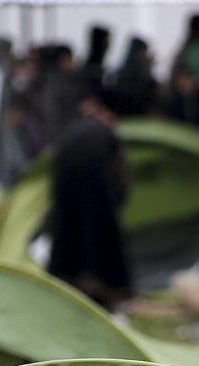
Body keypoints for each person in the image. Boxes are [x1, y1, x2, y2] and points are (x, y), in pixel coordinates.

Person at [47, 92, 131, 307]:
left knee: (69, 227)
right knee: (101, 229)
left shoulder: (71, 134)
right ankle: (109, 288)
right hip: (95, 176)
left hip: (65, 179)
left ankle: (68, 282)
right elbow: (119, 178)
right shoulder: (107, 133)